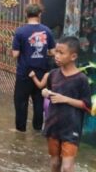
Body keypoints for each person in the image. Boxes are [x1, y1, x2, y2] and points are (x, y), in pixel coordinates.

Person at [40, 37, 91, 172]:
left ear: (73, 56)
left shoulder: (81, 79)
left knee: (67, 167)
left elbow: (87, 106)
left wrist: (65, 99)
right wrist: (46, 93)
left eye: (61, 53)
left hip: (71, 128)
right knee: (55, 163)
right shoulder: (53, 74)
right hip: (53, 125)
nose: (56, 56)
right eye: (56, 52)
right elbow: (50, 94)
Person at [12, 3, 56, 132]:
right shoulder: (47, 31)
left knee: (21, 103)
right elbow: (53, 52)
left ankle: (20, 130)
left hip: (24, 73)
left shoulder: (20, 31)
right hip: (41, 73)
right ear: (39, 14)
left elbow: (15, 54)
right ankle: (37, 129)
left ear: (26, 14)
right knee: (38, 102)